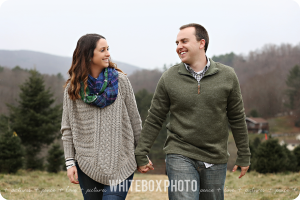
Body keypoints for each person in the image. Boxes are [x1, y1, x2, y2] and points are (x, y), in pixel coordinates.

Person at [135, 23, 251, 200]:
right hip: (179, 153)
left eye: (184, 41)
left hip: (215, 156)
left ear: (201, 43)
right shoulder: (169, 78)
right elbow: (155, 118)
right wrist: (141, 152)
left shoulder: (228, 76)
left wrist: (244, 154)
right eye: (176, 43)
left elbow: (237, 118)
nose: (178, 46)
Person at [60, 34, 145, 200]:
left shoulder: (121, 82)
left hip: (122, 161)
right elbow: (67, 129)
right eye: (102, 50)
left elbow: (135, 121)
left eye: (108, 49)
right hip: (87, 165)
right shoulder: (73, 88)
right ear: (88, 55)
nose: (108, 54)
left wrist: (142, 155)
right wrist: (70, 163)